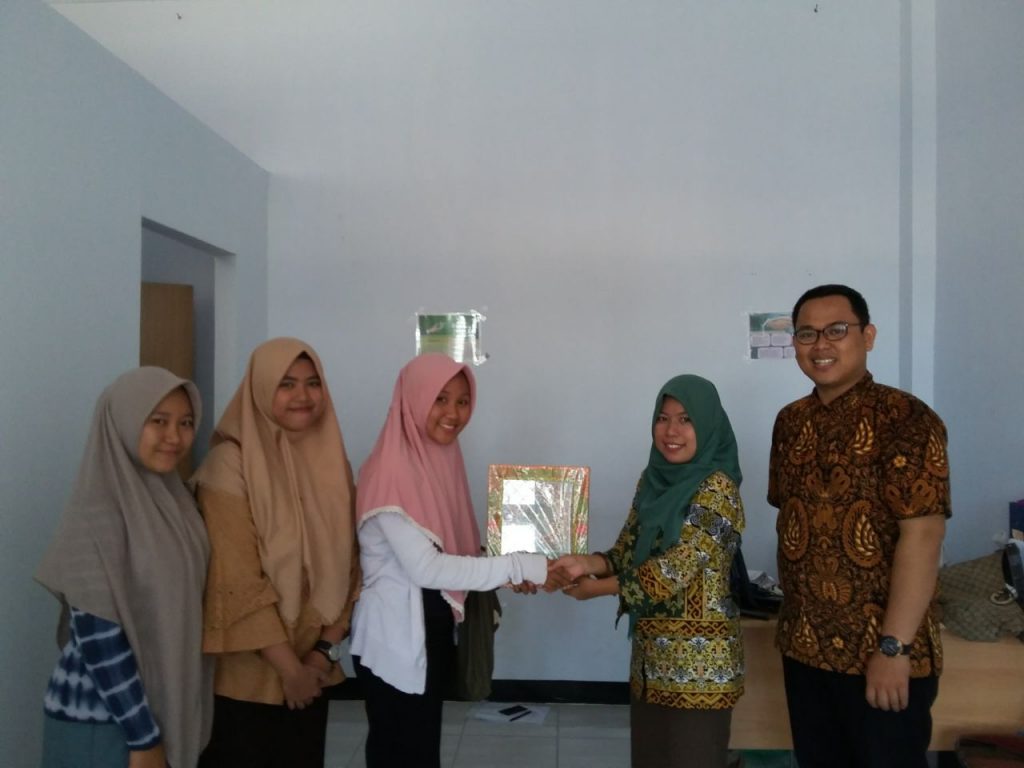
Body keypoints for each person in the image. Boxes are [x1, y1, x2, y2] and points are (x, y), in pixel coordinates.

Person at [769, 284, 950, 768]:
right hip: (805, 648)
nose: (820, 345)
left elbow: (924, 536)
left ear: (867, 336)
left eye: (836, 330)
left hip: (881, 655)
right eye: (807, 334)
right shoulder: (790, 423)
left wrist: (894, 648)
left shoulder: (907, 419)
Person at [350, 353, 553, 768]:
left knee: (421, 749)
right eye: (440, 399)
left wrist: (507, 574)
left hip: (429, 633)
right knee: (402, 753)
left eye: (462, 401)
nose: (453, 413)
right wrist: (524, 566)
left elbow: (455, 552)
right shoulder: (391, 471)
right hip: (395, 642)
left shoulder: (439, 461)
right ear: (414, 398)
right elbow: (428, 568)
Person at [552, 374, 745, 768]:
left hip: (700, 674)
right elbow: (627, 549)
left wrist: (597, 588)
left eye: (686, 419)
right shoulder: (652, 480)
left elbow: (676, 568)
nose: (671, 431)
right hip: (650, 665)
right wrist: (584, 563)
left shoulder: (718, 488)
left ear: (708, 425)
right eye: (663, 418)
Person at [194, 338, 359, 768]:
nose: (303, 395)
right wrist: (291, 671)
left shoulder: (333, 463)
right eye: (286, 384)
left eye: (312, 382)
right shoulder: (228, 465)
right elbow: (235, 578)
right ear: (261, 387)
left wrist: (320, 655)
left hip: (314, 673)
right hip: (246, 683)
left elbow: (352, 565)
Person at [36, 367, 211, 768]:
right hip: (102, 722)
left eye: (185, 423)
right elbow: (99, 638)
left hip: (152, 714)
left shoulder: (177, 504)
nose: (174, 436)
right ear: (126, 422)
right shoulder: (96, 512)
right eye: (158, 421)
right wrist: (143, 737)